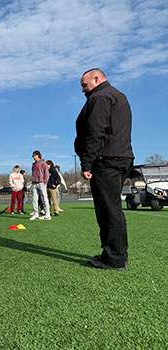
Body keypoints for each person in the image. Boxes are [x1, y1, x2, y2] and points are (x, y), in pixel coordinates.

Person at [74, 68, 134, 270]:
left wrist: (87, 163)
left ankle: (113, 258)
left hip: (106, 160)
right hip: (122, 157)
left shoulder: (100, 97)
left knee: (107, 210)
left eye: (85, 85)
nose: (83, 90)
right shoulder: (119, 96)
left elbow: (95, 131)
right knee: (114, 209)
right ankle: (118, 253)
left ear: (97, 79)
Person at [29, 150, 51, 220]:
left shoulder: (43, 163)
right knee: (34, 199)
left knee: (44, 198)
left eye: (34, 156)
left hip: (41, 183)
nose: (33, 157)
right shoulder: (33, 164)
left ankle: (47, 214)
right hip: (34, 183)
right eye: (33, 156)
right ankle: (36, 213)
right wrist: (32, 182)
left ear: (38, 155)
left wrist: (45, 183)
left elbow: (47, 174)